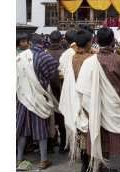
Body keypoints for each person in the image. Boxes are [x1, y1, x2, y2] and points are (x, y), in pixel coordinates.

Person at [76, 27, 120, 172]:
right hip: (115, 108)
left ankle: (104, 168)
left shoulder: (89, 62)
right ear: (113, 42)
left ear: (96, 41)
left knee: (102, 144)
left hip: (95, 110)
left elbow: (82, 90)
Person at [16, 34, 59, 170]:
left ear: (30, 43)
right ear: (42, 43)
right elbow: (52, 74)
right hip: (39, 98)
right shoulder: (45, 57)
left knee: (22, 129)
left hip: (23, 98)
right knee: (41, 130)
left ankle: (18, 158)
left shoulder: (19, 57)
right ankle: (43, 160)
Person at [59, 29, 93, 172]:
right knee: (90, 134)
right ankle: (91, 164)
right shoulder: (91, 59)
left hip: (76, 99)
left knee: (82, 133)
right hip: (87, 99)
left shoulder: (71, 57)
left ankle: (85, 164)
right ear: (88, 43)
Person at [46, 30, 66, 154]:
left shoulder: (45, 54)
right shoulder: (65, 54)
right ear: (60, 40)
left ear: (49, 40)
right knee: (63, 120)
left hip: (48, 92)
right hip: (62, 92)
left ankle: (50, 145)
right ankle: (64, 145)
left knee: (50, 119)